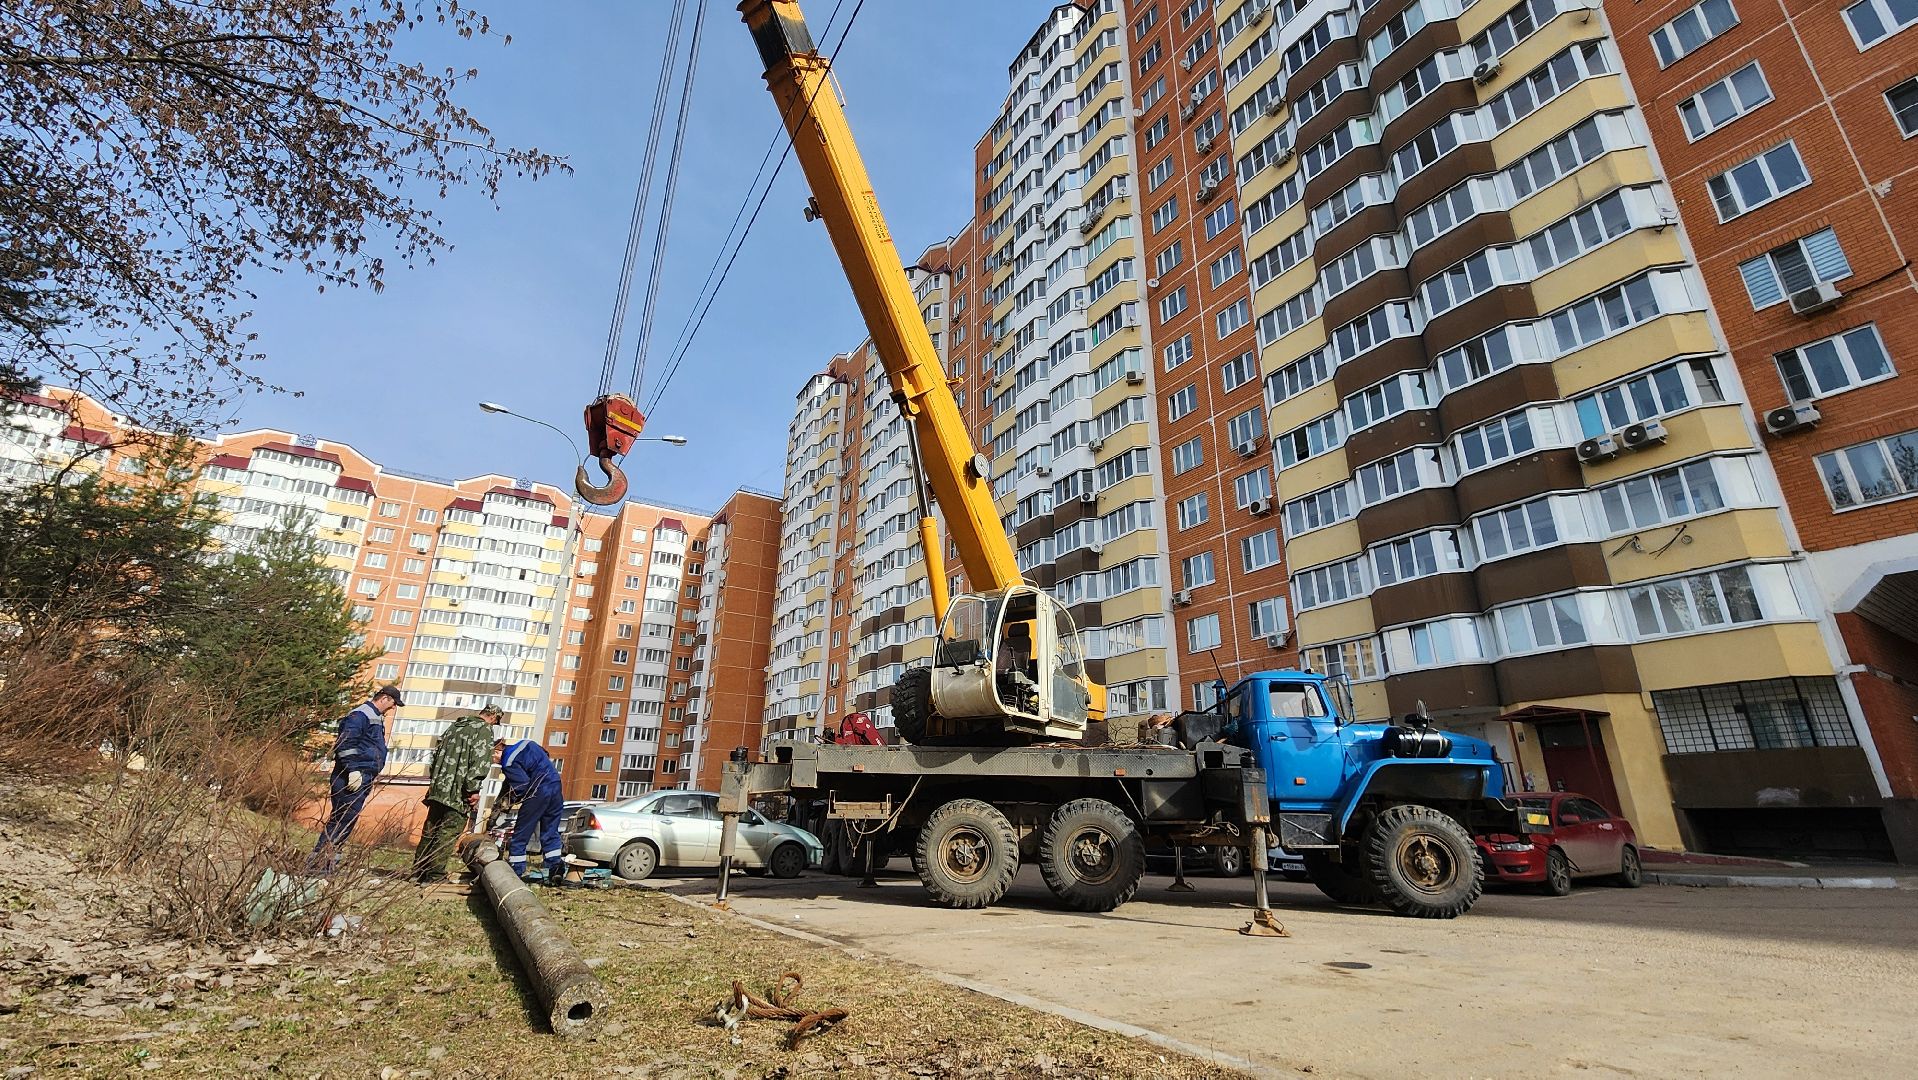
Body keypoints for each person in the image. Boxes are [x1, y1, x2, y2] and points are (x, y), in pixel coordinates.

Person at [312, 685, 403, 870]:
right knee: (342, 819)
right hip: (350, 776)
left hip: (362, 776)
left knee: (346, 820)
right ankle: (319, 864)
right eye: (393, 703)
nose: (393, 708)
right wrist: (353, 770)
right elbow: (345, 743)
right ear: (384, 698)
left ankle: (328, 864)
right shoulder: (361, 715)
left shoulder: (374, 717)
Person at [409, 704, 500, 884]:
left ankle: (418, 872)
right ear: (493, 717)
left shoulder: (455, 727)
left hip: (438, 788)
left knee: (431, 829)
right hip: (457, 791)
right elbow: (479, 761)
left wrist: (436, 781)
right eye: (495, 722)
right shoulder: (484, 730)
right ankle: (435, 875)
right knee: (448, 831)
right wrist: (473, 789)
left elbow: (435, 757)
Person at [494, 736, 567, 885]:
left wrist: (513, 801)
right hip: (555, 785)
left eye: (491, 756)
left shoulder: (508, 762)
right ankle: (555, 869)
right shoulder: (527, 743)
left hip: (538, 791)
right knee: (550, 831)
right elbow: (545, 754)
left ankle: (516, 870)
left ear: (497, 751)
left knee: (521, 832)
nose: (492, 761)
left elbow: (522, 786)